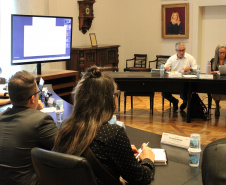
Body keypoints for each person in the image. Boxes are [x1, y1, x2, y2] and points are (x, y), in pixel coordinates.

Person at [52, 66, 155, 185]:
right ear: (111, 100)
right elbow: (140, 179)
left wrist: (123, 151)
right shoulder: (113, 133)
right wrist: (148, 159)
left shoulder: (67, 126)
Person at [0, 70, 58, 185]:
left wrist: (33, 111)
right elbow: (64, 146)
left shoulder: (2, 116)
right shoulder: (41, 121)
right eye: (38, 93)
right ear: (32, 99)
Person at [163, 42, 197, 112]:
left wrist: (190, 68)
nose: (182, 52)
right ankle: (174, 101)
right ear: (176, 50)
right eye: (180, 50)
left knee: (184, 93)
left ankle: (185, 102)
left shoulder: (189, 57)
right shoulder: (172, 58)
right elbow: (165, 66)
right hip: (173, 81)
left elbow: (197, 68)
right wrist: (166, 67)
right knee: (164, 93)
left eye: (183, 50)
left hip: (185, 82)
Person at [210, 44, 226, 116]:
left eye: (224, 52)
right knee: (214, 89)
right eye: (220, 53)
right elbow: (209, 72)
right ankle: (217, 105)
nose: (222, 54)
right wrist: (216, 72)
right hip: (216, 82)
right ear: (217, 53)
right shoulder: (213, 61)